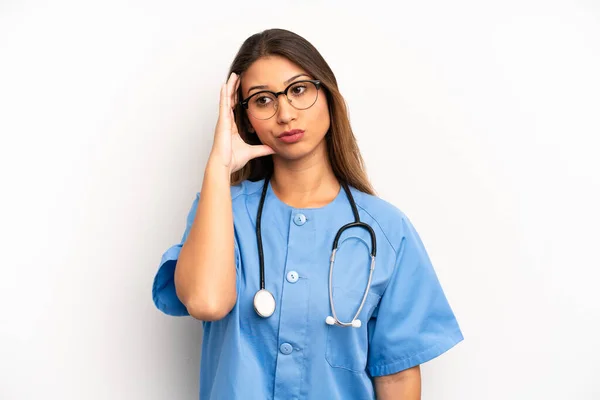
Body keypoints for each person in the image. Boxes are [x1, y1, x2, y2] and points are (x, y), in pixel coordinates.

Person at [152, 28, 463, 400]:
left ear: (327, 95)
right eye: (263, 100)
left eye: (298, 90)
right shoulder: (221, 211)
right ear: (246, 119)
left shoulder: (386, 230)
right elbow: (207, 302)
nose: (284, 114)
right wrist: (218, 166)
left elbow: (396, 378)